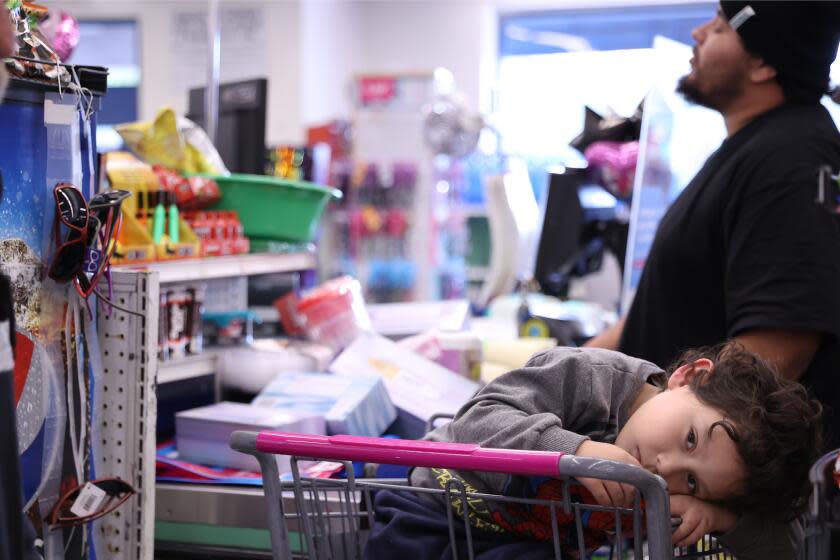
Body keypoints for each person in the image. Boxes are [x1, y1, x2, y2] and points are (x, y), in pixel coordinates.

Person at [585, 3, 840, 452]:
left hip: (695, 485)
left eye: (721, 26)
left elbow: (778, 347)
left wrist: (665, 434)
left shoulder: (792, 157)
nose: (699, 33)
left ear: (762, 63)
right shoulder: (753, 148)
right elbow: (663, 311)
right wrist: (565, 369)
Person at [364, 345, 821, 560]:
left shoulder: (674, 492)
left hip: (524, 549)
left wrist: (723, 518)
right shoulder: (591, 377)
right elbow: (477, 420)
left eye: (692, 482)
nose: (664, 469)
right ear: (689, 377)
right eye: (689, 440)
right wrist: (575, 450)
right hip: (430, 510)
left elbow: (788, 548)